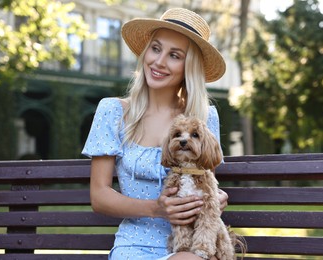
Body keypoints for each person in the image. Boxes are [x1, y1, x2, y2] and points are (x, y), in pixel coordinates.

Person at [82, 7, 228, 260]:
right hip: (134, 246)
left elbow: (204, 179)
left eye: (174, 55)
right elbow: (99, 196)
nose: (159, 62)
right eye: (156, 48)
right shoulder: (113, 111)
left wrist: (214, 198)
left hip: (190, 246)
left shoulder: (204, 118)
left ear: (188, 66)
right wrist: (157, 208)